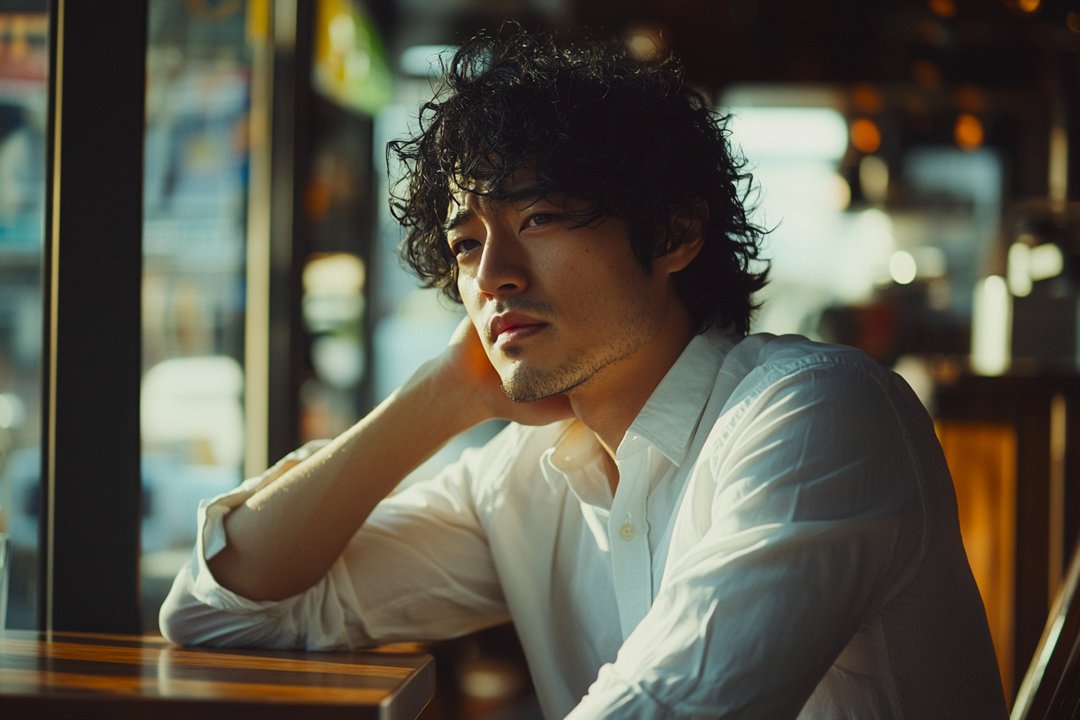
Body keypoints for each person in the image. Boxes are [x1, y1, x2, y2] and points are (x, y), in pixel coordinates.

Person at [160, 24, 1008, 719]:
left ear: (675, 234)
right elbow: (222, 610)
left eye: (540, 215)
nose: (491, 275)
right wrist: (440, 395)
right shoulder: (526, 477)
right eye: (465, 244)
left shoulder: (817, 416)